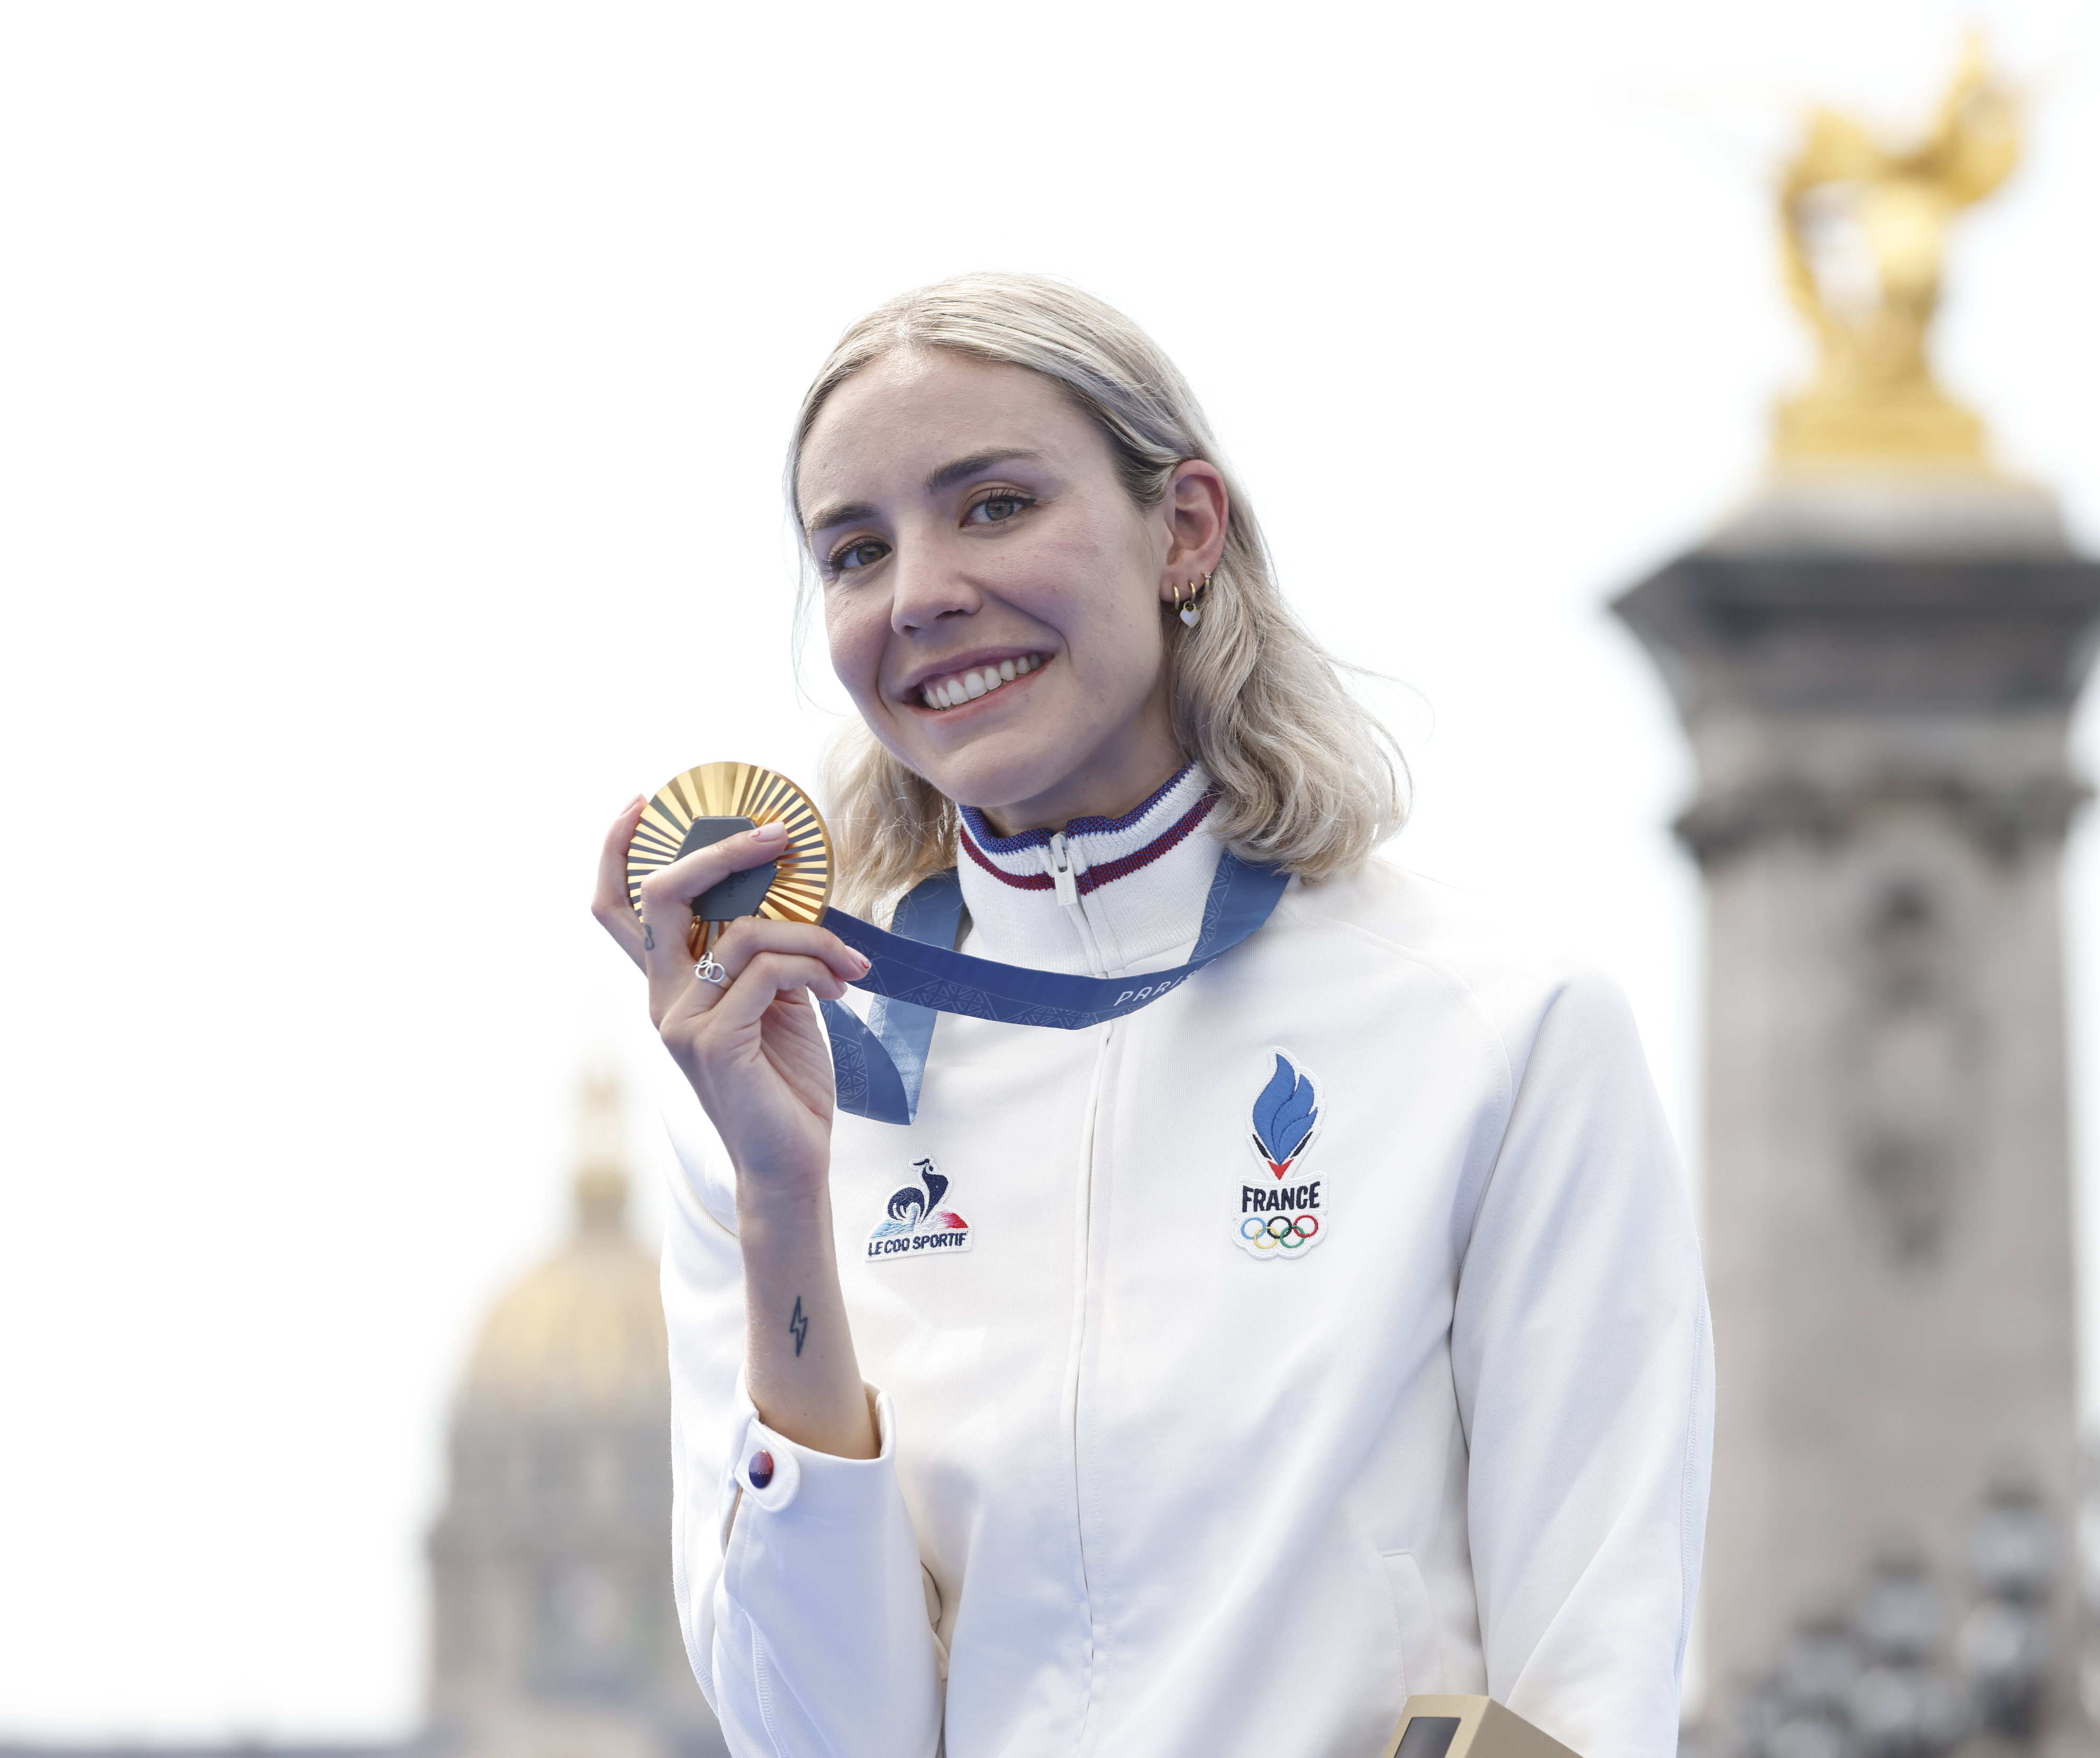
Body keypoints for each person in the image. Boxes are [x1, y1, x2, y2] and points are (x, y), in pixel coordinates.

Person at [590, 273, 1711, 1758]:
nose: (919, 589)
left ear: (1186, 528)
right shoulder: (769, 1096)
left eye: (991, 506)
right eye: (855, 551)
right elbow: (826, 1739)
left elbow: (1591, 1681)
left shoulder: (1499, 1033)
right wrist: (785, 1194)